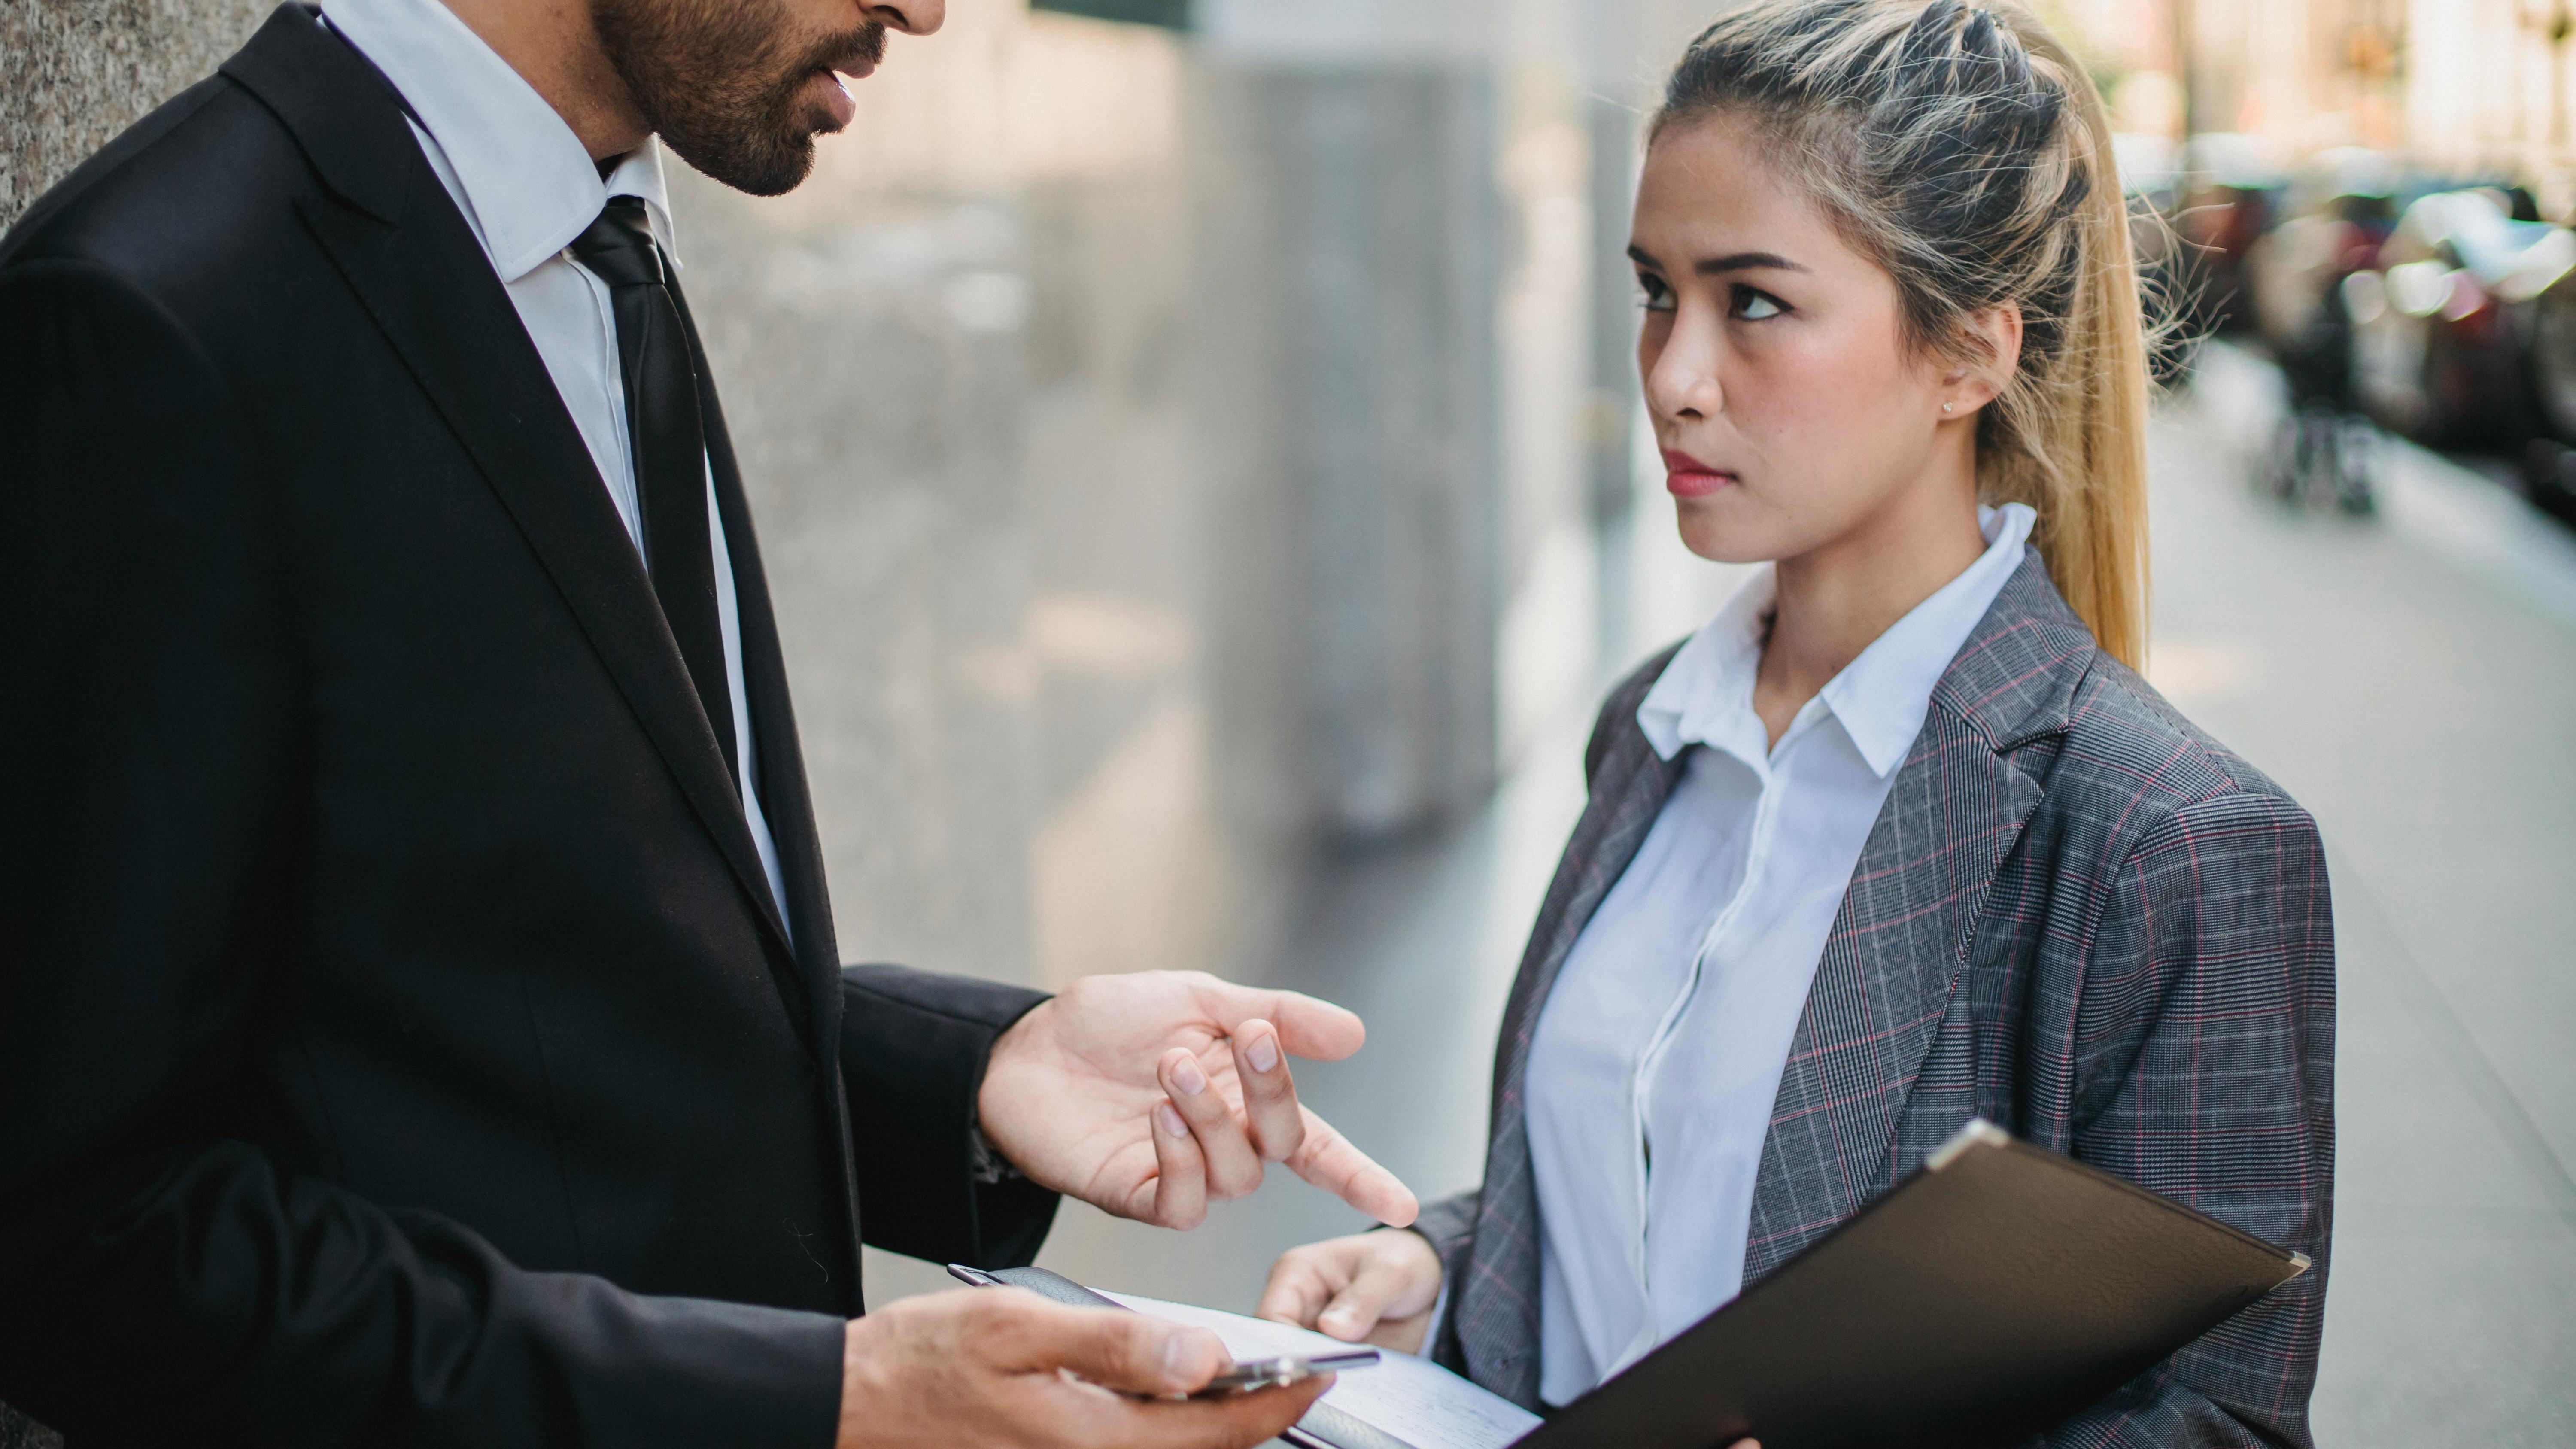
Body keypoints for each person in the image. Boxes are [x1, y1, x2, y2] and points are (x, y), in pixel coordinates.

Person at [0, 0, 1417, 1445]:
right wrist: (820, 1400)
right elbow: (82, 1244)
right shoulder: (147, 317)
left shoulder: (603, 245)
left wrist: (976, 1077)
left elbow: (513, 1003)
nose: (927, 11)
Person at [1257, 3, 2336, 1444]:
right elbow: (1657, 1195)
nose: (1672, 376)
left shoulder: (2172, 843)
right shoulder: (1653, 727)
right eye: (1657, 292)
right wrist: (1444, 1274)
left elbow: (2217, 1423)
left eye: (1754, 302)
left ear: (1968, 356)